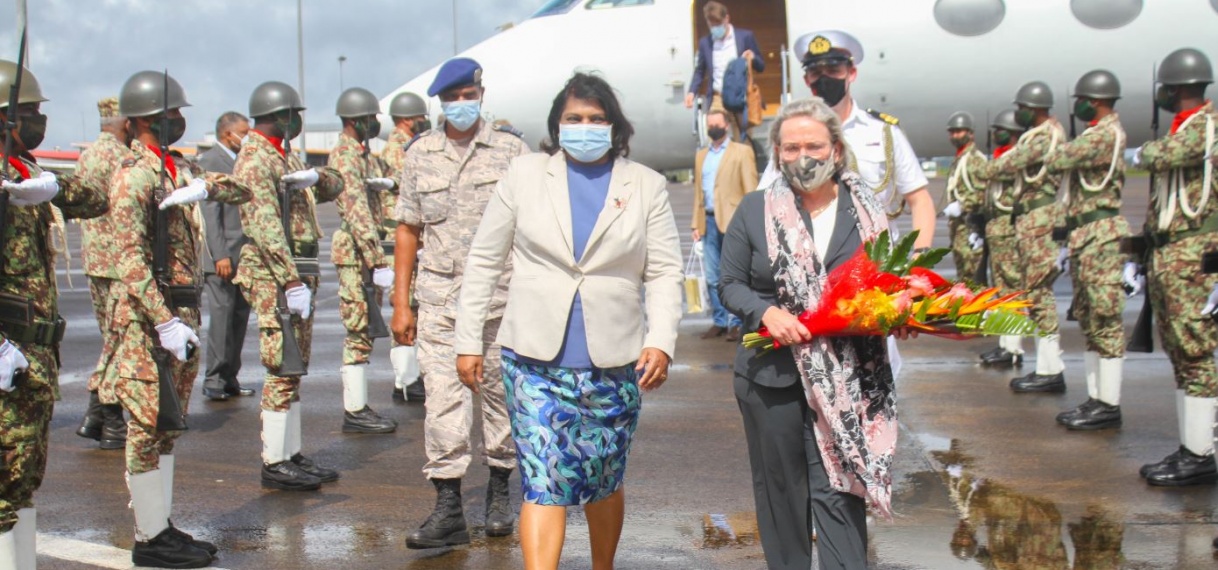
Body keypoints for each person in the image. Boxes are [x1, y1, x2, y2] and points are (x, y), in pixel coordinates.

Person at [454, 71, 682, 570]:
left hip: (615, 359)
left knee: (603, 477)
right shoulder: (525, 175)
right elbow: (485, 260)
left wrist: (661, 340)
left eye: (596, 119)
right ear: (557, 125)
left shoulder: (644, 185)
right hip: (534, 358)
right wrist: (467, 339)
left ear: (614, 126)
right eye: (574, 118)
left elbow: (665, 271)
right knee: (544, 477)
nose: (585, 127)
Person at [720, 97, 902, 570]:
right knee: (782, 496)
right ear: (777, 153)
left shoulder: (867, 211)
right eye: (792, 147)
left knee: (841, 489)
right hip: (772, 378)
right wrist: (765, 312)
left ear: (836, 150)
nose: (805, 157)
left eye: (815, 146)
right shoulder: (756, 209)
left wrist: (900, 311)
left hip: (849, 381)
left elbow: (889, 281)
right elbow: (730, 283)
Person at [101, 70, 251, 568]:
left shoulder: (173, 170)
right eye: (172, 114)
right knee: (146, 426)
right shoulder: (134, 174)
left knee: (167, 423)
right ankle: (148, 537)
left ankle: (161, 525)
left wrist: (205, 187)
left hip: (179, 311)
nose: (180, 121)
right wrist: (163, 319)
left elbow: (241, 191)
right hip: (150, 318)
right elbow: (129, 259)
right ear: (146, 119)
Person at [392, 57, 529, 549]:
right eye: (453, 98)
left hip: (501, 300)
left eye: (469, 96)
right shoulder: (419, 154)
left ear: (481, 95)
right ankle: (447, 507)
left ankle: (498, 493)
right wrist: (400, 302)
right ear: (441, 102)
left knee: (501, 400)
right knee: (443, 404)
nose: (462, 105)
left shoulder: (512, 151)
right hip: (440, 300)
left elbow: (532, 229)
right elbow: (408, 228)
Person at [0, 59, 109, 570]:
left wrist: (55, 189)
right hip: (8, 348)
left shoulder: (25, 172)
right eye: (27, 113)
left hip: (37, 351)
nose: (37, 122)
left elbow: (96, 197)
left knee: (23, 479)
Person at [232, 80, 343, 492]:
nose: (298, 121)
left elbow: (335, 186)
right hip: (275, 277)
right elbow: (263, 227)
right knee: (281, 364)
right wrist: (290, 279)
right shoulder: (255, 159)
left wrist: (315, 176)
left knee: (294, 365)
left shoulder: (284, 154)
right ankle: (274, 460)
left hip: (295, 274)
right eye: (294, 114)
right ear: (280, 116)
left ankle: (291, 452)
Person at [760, 30, 935, 250]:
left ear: (851, 73)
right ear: (807, 79)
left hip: (877, 263)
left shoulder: (883, 132)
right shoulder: (794, 136)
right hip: (815, 263)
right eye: (816, 72)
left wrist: (920, 255)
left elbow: (919, 198)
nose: (825, 79)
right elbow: (764, 201)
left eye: (833, 70)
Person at [1133, 47, 1218, 487]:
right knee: (1182, 353)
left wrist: (1144, 151)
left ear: (1177, 89)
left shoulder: (1207, 132)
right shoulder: (1188, 130)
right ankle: (1193, 445)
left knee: (1197, 354)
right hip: (1171, 258)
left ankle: (1201, 453)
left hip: (1197, 262)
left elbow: (1161, 156)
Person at [1044, 70, 1130, 430]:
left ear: (1094, 101)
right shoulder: (1100, 132)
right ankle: (1097, 399)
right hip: (1086, 236)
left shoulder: (1106, 133)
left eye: (1081, 99)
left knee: (1105, 321)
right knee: (1092, 320)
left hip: (1101, 236)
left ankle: (1108, 403)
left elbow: (1059, 159)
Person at [987, 81, 1067, 393]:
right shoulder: (1041, 135)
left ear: (1033, 109)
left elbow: (1005, 166)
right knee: (1031, 294)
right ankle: (1045, 365)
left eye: (1021, 108)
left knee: (1039, 295)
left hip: (1039, 222)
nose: (1017, 113)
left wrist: (992, 165)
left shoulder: (1044, 135)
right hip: (1031, 221)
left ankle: (1050, 369)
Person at [329, 87, 399, 434]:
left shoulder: (366, 156)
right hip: (356, 254)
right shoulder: (344, 156)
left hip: (368, 253)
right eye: (369, 118)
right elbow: (356, 211)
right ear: (355, 120)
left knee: (367, 328)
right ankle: (354, 409)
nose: (374, 123)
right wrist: (378, 260)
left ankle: (359, 404)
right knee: (358, 327)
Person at [75, 96, 132, 449]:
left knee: (112, 337)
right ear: (125, 123)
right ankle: (110, 419)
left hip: (96, 261)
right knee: (121, 338)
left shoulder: (89, 153)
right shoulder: (119, 157)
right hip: (117, 261)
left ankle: (97, 416)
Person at [198, 111, 255, 401]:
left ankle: (231, 376)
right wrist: (219, 254)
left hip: (242, 255)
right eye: (243, 131)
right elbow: (211, 213)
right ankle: (214, 380)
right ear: (226, 134)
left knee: (239, 318)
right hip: (221, 256)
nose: (247, 136)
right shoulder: (211, 162)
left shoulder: (240, 161)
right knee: (221, 318)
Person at [692, 108, 757, 342]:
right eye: (709, 125)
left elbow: (751, 188)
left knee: (735, 274)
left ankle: (737, 323)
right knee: (711, 275)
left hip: (734, 221)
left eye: (716, 124)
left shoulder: (741, 152)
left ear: (727, 126)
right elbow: (698, 192)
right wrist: (695, 223)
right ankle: (719, 321)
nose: (712, 128)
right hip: (708, 219)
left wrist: (752, 221)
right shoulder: (701, 155)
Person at [382, 91, 430, 404]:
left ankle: (409, 376)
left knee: (413, 304)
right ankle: (405, 379)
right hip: (400, 235)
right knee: (405, 305)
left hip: (408, 234)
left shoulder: (405, 145)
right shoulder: (400, 149)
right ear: (407, 119)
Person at [977, 110, 1027, 369]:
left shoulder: (1013, 158)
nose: (997, 135)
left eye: (1001, 130)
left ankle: (1014, 346)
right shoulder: (1003, 156)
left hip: (1008, 230)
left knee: (1012, 291)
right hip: (998, 230)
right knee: (1003, 291)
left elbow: (988, 172)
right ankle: (1006, 343)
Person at [683, 1, 763, 112]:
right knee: (716, 128)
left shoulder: (745, 37)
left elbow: (761, 66)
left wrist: (752, 57)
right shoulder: (705, 43)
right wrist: (692, 92)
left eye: (718, 23)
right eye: (712, 25)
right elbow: (700, 71)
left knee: (742, 129)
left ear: (727, 18)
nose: (715, 28)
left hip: (740, 97)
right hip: (717, 97)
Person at [942, 112, 987, 282]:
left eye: (959, 131)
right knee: (964, 280)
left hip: (970, 229)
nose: (955, 135)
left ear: (970, 133)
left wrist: (962, 205)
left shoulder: (975, 159)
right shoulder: (960, 159)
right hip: (958, 231)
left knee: (974, 279)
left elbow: (983, 192)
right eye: (952, 132)